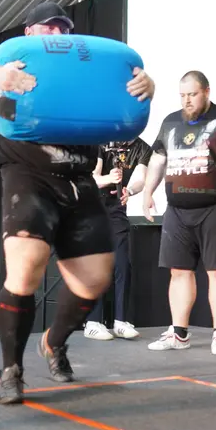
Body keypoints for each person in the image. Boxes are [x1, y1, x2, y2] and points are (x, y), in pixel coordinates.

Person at [0, 1, 155, 404]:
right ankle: (11, 370)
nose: (56, 33)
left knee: (95, 279)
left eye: (62, 27)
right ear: (29, 32)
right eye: (47, 27)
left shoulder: (83, 66)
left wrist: (145, 87)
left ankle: (53, 342)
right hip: (28, 176)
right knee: (26, 264)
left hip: (80, 179)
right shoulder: (11, 59)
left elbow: (122, 90)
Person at [142, 70, 216, 354]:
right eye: (182, 95)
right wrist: (147, 192)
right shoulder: (170, 122)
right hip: (178, 210)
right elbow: (158, 160)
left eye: (192, 94)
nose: (187, 100)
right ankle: (179, 333)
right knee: (178, 271)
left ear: (206, 91)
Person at [83, 138, 153, 340]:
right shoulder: (101, 140)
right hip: (93, 207)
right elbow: (93, 178)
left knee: (122, 264)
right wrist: (109, 178)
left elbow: (140, 178)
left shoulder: (142, 148)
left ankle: (121, 321)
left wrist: (129, 190)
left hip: (116, 209)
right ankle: (92, 322)